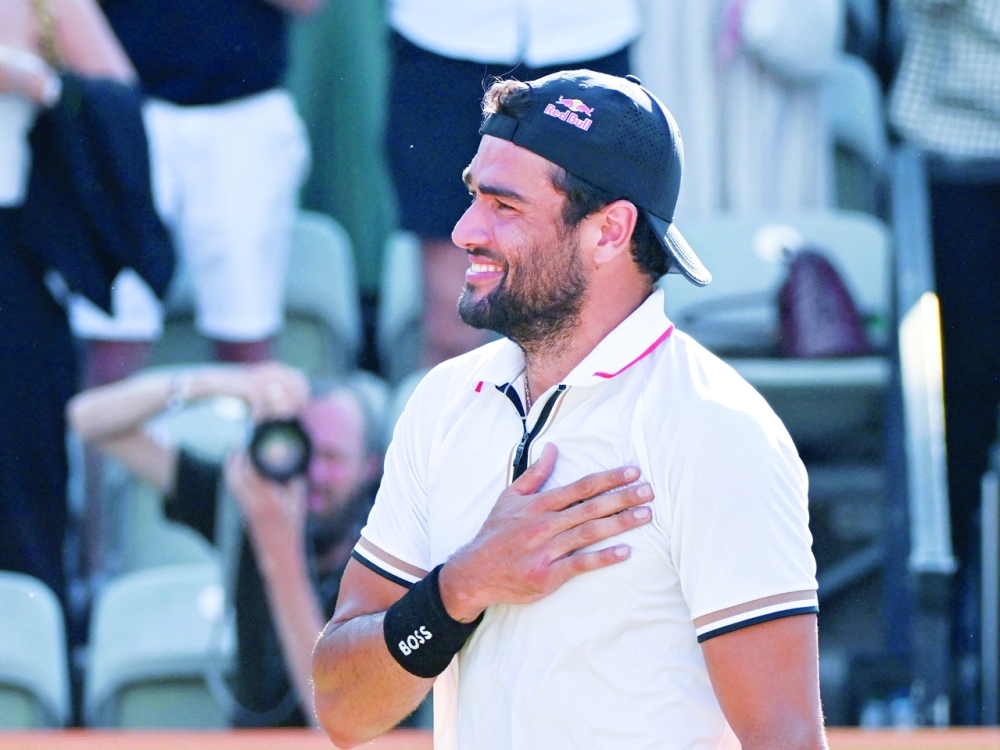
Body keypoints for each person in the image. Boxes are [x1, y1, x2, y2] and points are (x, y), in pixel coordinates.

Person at [313, 70, 825, 749]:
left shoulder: (717, 429)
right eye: (474, 195)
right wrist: (460, 587)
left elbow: (785, 739)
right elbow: (344, 710)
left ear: (610, 231)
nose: (465, 229)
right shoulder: (440, 402)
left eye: (505, 206)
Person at [68, 362, 381, 726]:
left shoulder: (390, 550)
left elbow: (337, 722)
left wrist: (280, 552)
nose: (312, 473)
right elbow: (87, 421)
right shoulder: (251, 502)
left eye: (332, 457)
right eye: (301, 448)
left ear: (369, 468)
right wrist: (220, 383)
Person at [68, 0, 322, 384]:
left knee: (246, 336)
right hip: (119, 113)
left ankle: (248, 444)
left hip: (242, 113)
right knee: (111, 338)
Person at [384, 0, 640, 371]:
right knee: (453, 324)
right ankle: (455, 424)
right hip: (445, 40)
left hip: (589, 38)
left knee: (592, 312)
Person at [0, 0, 136, 626]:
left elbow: (116, 101)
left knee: (22, 475)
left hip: (12, 260)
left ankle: (42, 657)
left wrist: (34, 81)